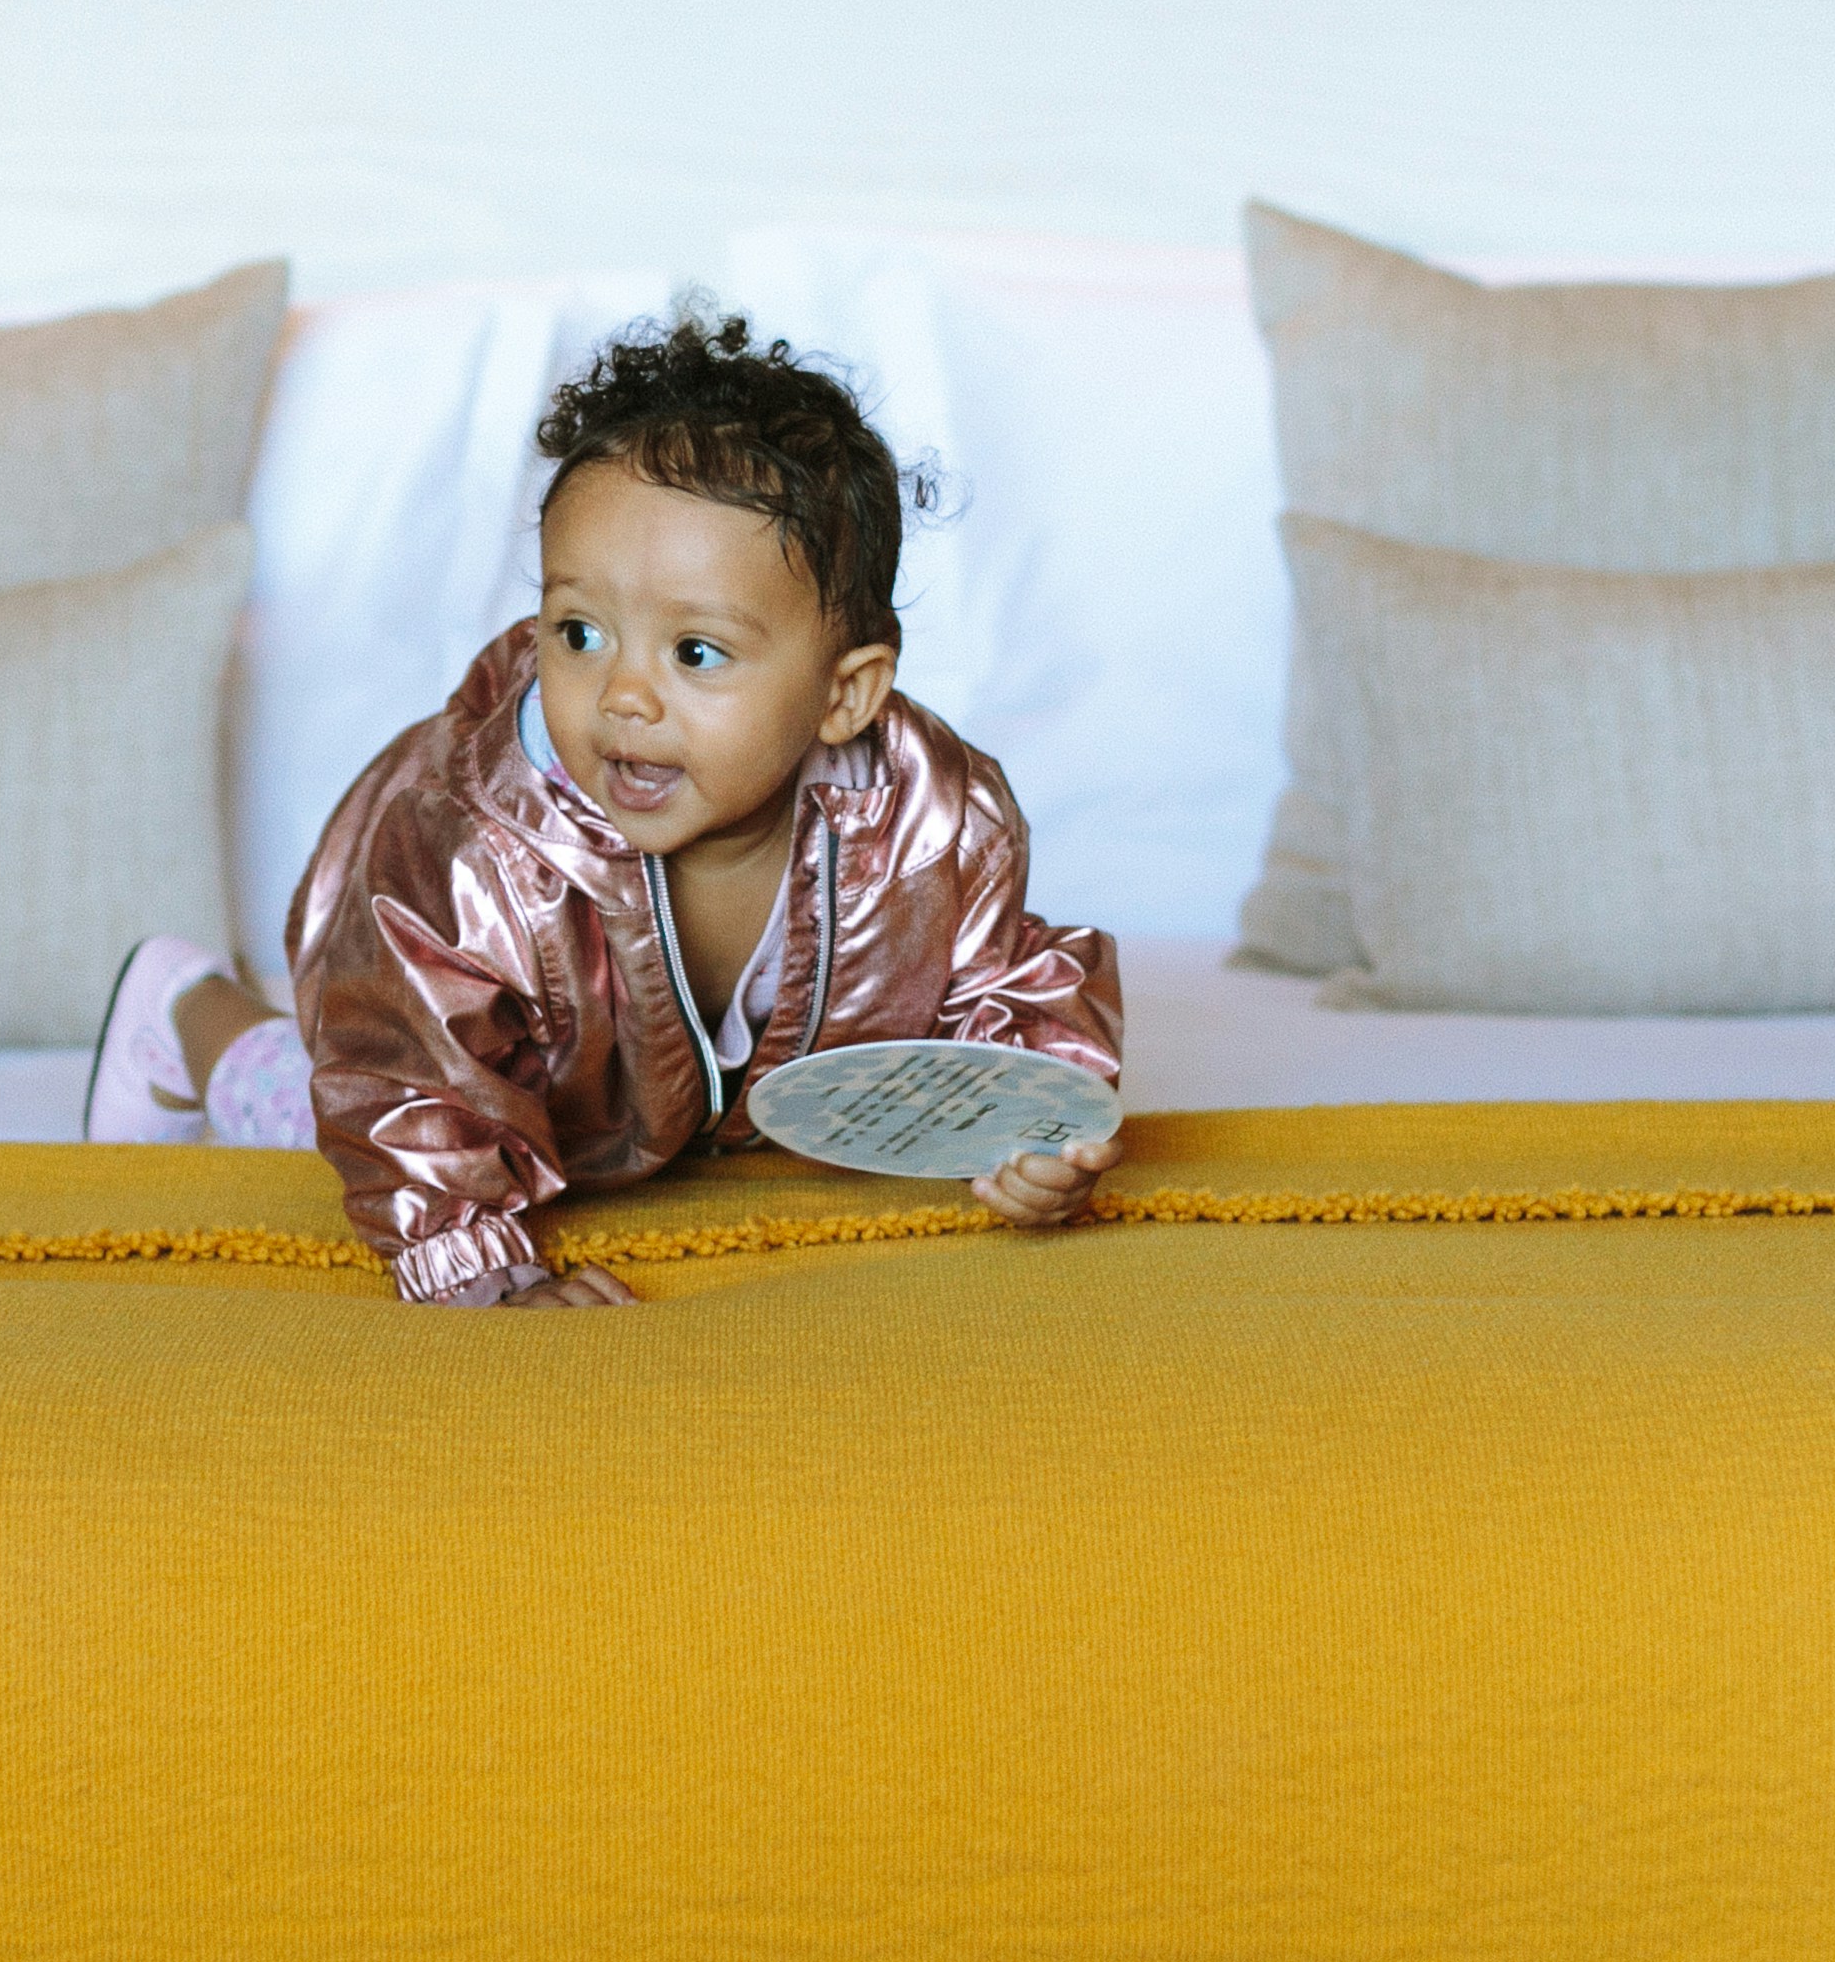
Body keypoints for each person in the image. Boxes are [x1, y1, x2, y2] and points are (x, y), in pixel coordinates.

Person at [85, 304, 1123, 1306]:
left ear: (843, 694)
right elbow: (405, 1072)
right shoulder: (472, 852)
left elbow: (1001, 987)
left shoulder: (940, 821)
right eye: (578, 631)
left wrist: (1033, 1128)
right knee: (313, 1109)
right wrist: (475, 1264)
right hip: (427, 1020)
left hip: (691, 1110)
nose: (622, 694)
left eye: (696, 651)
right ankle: (184, 1009)